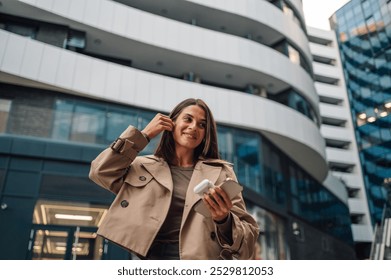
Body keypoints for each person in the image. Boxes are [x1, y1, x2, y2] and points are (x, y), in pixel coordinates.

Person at [89, 98, 259, 260]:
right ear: (172, 122)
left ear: (206, 134)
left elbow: (249, 239)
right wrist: (144, 135)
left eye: (202, 125)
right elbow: (100, 171)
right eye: (188, 119)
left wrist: (224, 219)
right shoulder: (143, 166)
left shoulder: (221, 172)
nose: (193, 127)